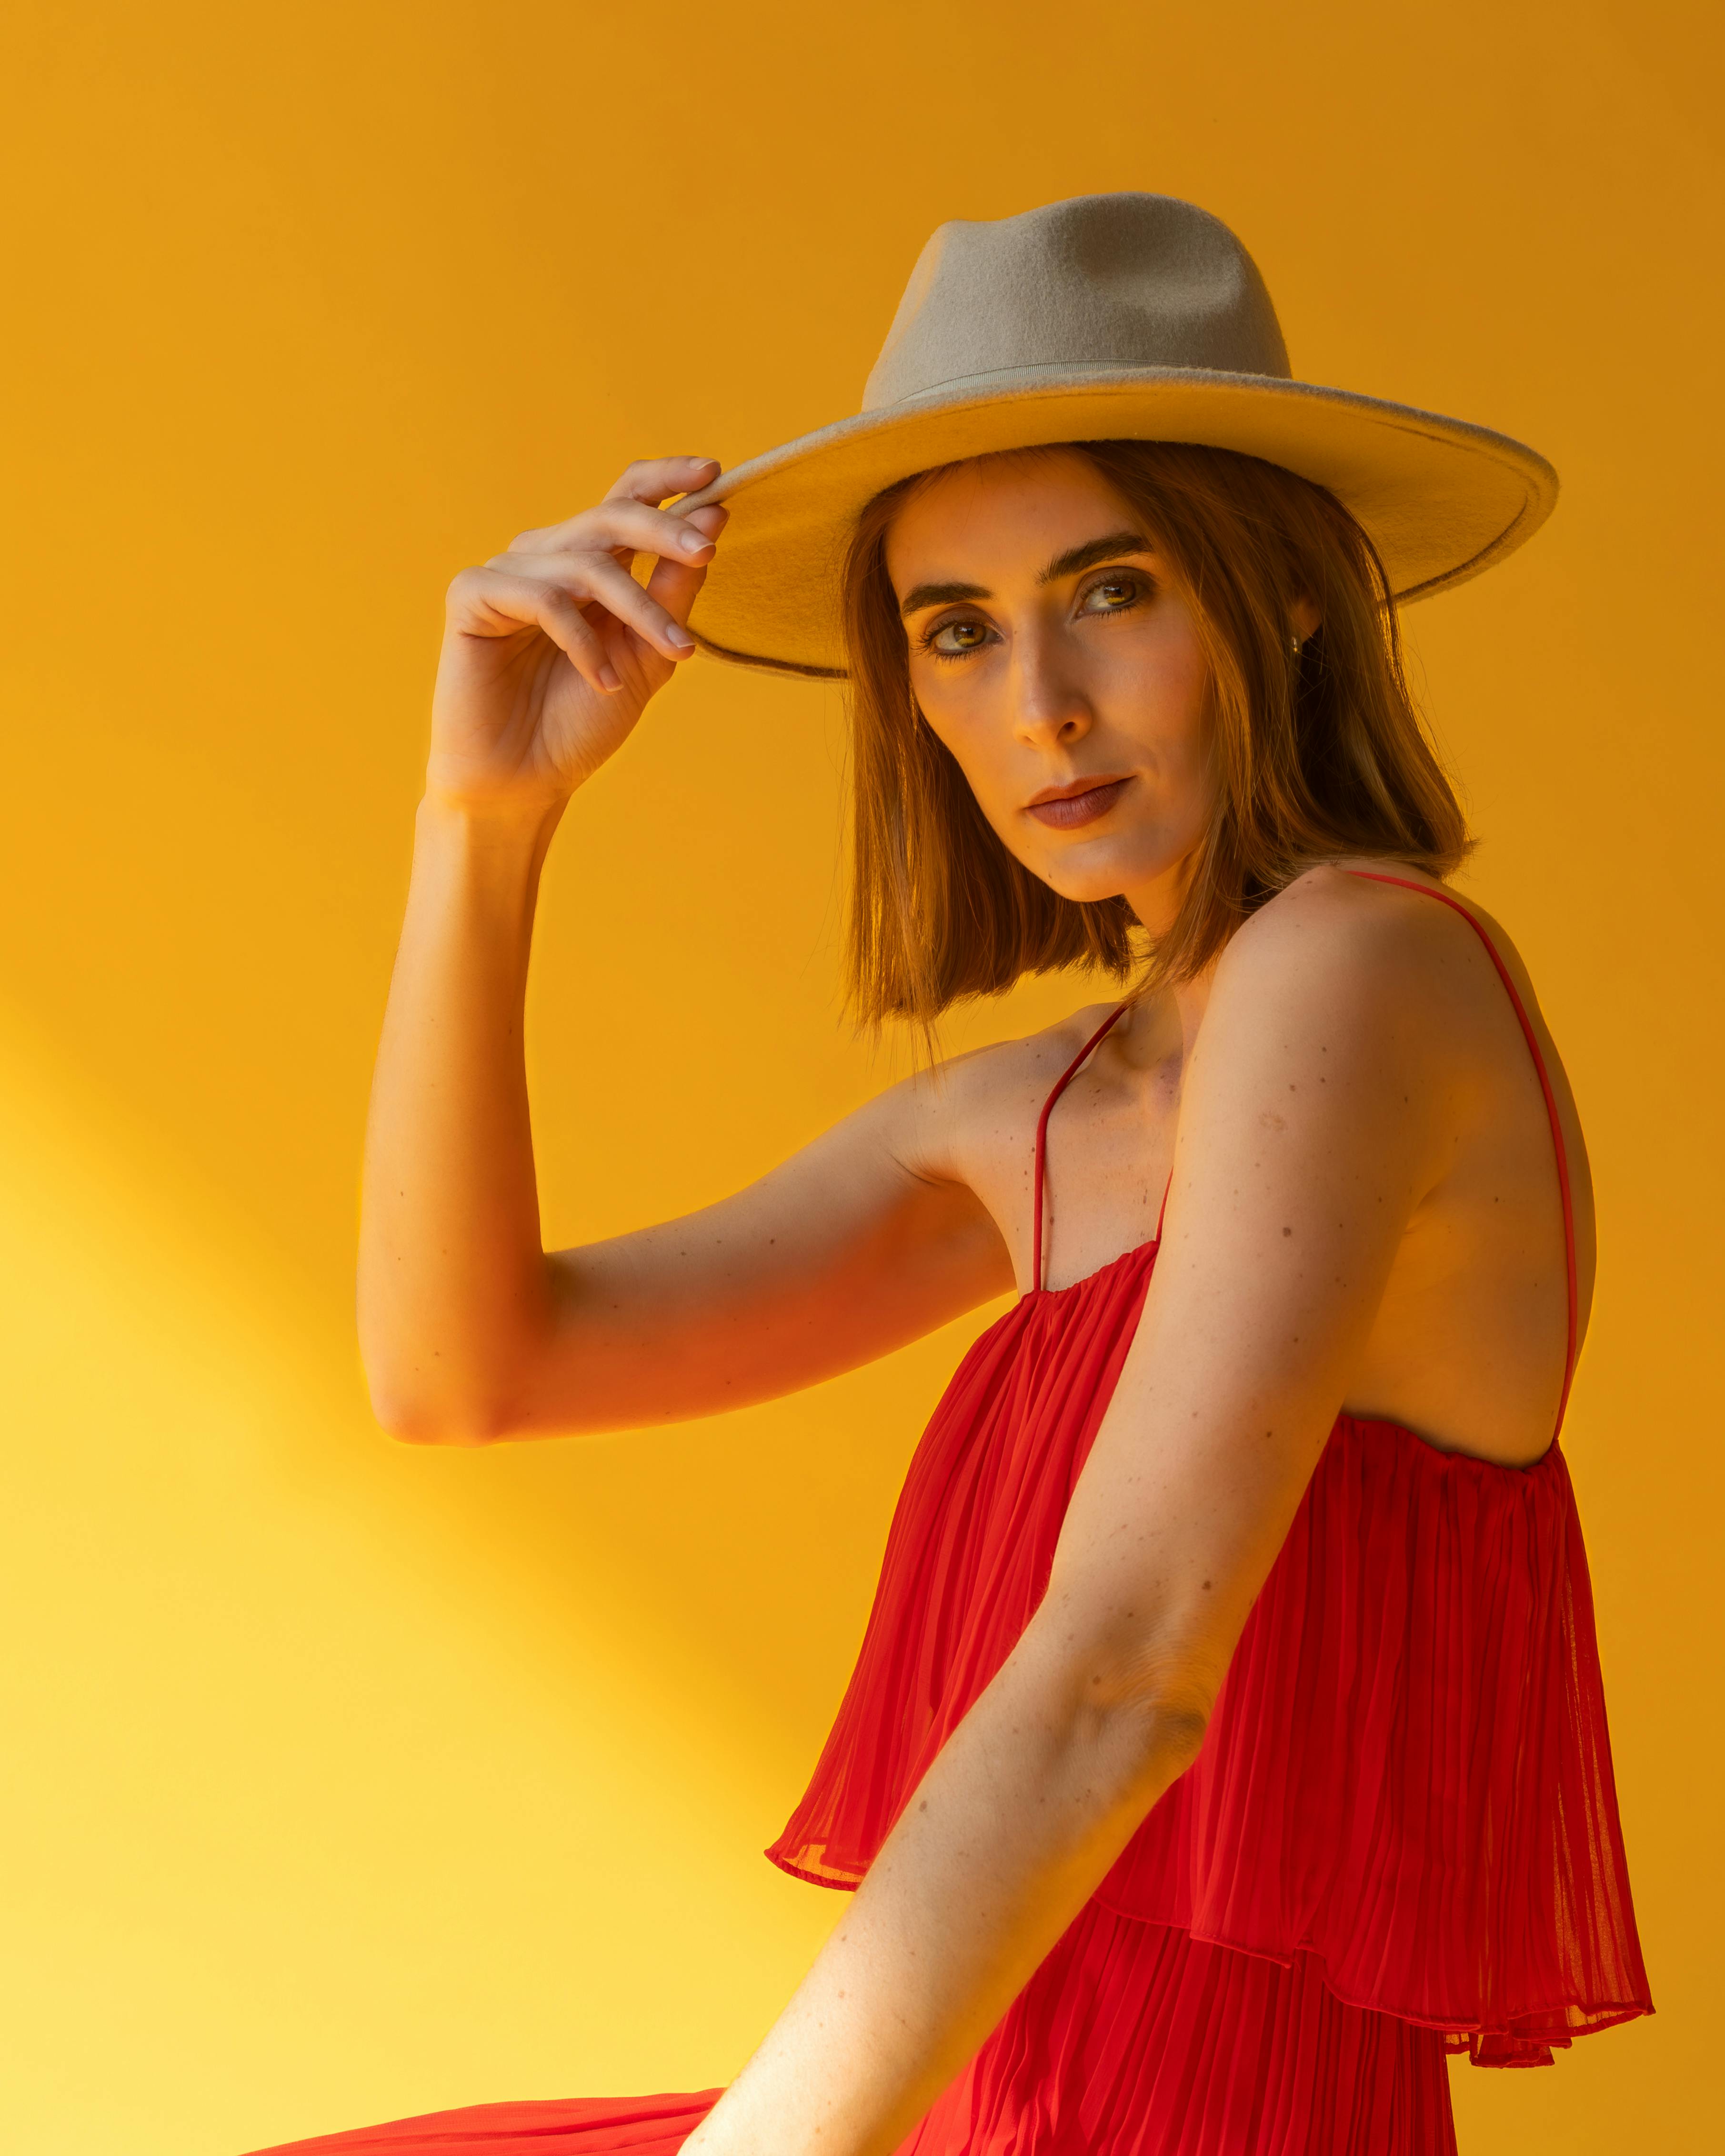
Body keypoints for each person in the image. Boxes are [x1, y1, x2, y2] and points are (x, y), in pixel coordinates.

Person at [249, 195, 1651, 2156]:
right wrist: (483, 825)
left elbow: (1124, 1676)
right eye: (958, 630)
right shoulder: (1030, 1118)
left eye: (1112, 587)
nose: (1040, 704)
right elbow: (462, 1367)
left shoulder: (1366, 966)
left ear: (1288, 594)